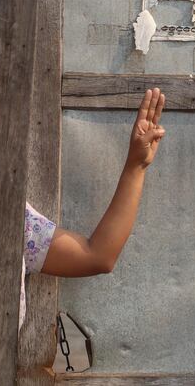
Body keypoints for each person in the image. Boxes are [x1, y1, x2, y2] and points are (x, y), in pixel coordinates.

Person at [24, 87, 166, 278]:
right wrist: (136, 167)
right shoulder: (3, 215)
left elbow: (98, 257)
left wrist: (137, 165)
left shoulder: (10, 218)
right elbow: (98, 257)